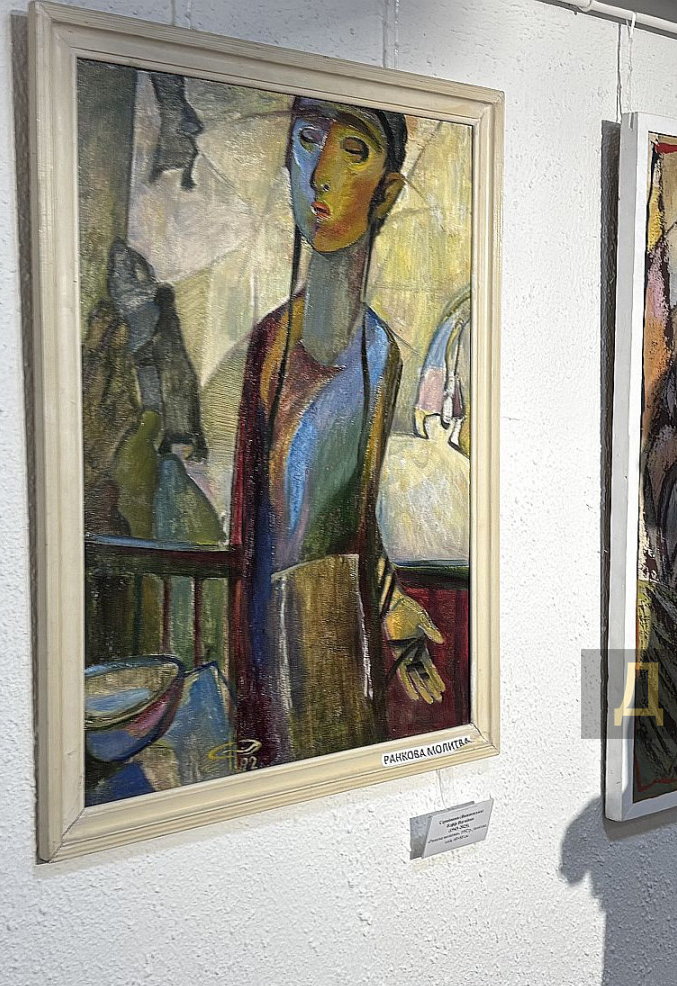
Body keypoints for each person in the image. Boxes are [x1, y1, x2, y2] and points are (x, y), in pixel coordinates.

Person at [229, 97, 444, 769]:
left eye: (352, 152)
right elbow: (253, 528)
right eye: (305, 140)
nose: (320, 172)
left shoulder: (381, 354)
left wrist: (390, 603)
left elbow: (354, 513)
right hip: (269, 633)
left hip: (342, 625)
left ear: (387, 192)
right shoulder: (270, 343)